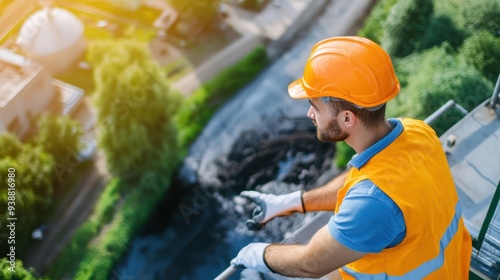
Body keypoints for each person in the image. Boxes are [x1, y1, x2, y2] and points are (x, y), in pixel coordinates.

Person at [230, 36, 472, 279]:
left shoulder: (372, 203)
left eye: (315, 106)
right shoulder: (418, 132)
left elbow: (310, 263)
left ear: (347, 118)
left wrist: (256, 254)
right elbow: (363, 183)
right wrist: (292, 202)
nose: (309, 113)